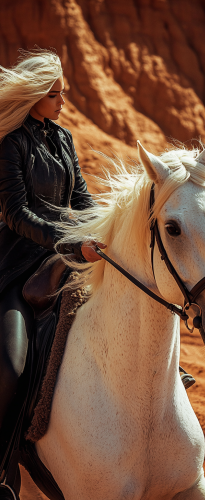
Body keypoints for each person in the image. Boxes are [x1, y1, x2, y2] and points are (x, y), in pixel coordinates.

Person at [0, 49, 104, 435]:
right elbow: (16, 213)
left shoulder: (63, 138)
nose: (64, 102)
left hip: (64, 255)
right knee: (12, 366)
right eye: (55, 95)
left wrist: (104, 229)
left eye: (64, 93)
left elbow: (81, 198)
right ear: (34, 97)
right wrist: (71, 243)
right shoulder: (10, 142)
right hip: (16, 264)